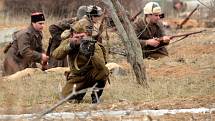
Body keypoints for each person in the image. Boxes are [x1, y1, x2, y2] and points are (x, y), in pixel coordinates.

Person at [52, 17, 109, 103]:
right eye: (77, 36)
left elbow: (101, 66)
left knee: (104, 71)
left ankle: (96, 96)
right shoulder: (69, 42)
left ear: (88, 35)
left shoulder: (93, 45)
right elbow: (56, 55)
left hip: (91, 75)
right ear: (73, 34)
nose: (79, 39)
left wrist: (91, 54)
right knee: (65, 98)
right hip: (77, 77)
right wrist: (70, 46)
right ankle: (79, 94)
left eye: (82, 36)